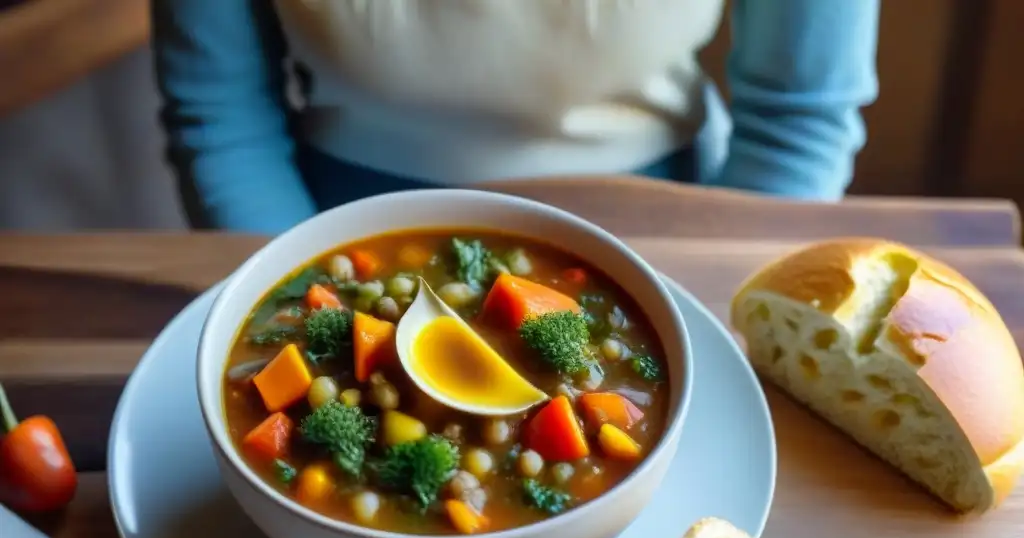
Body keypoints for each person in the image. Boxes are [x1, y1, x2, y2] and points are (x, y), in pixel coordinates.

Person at [151, 0, 880, 236]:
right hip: (327, 225)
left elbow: (798, 120)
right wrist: (297, 302)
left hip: (669, 231)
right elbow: (221, 115)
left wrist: (710, 312)